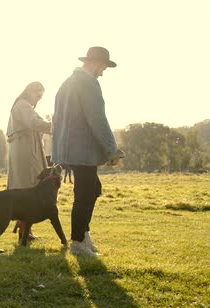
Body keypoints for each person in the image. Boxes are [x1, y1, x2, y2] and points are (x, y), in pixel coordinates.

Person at [52, 46, 125, 257]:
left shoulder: (67, 83)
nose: (102, 72)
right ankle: (78, 242)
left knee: (92, 189)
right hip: (83, 149)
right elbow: (97, 118)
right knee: (84, 194)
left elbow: (57, 120)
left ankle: (84, 234)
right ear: (95, 63)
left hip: (68, 148)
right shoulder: (88, 83)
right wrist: (112, 150)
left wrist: (59, 150)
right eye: (103, 67)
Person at [6, 81, 51, 240]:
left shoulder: (22, 106)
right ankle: (24, 228)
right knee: (28, 189)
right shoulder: (23, 105)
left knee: (26, 189)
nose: (38, 99)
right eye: (37, 95)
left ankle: (24, 226)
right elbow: (35, 123)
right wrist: (58, 128)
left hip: (26, 152)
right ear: (30, 91)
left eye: (41, 96)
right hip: (27, 153)